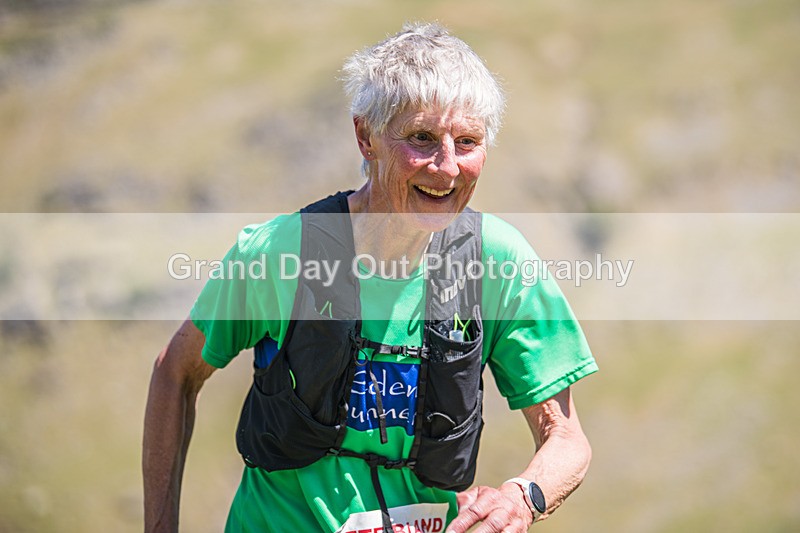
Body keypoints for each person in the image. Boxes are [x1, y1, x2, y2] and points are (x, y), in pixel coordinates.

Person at [143, 22, 597, 533]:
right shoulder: (280, 253)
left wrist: (522, 498)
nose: (447, 168)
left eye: (467, 142)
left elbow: (566, 438)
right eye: (422, 138)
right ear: (366, 137)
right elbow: (175, 373)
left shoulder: (499, 263)